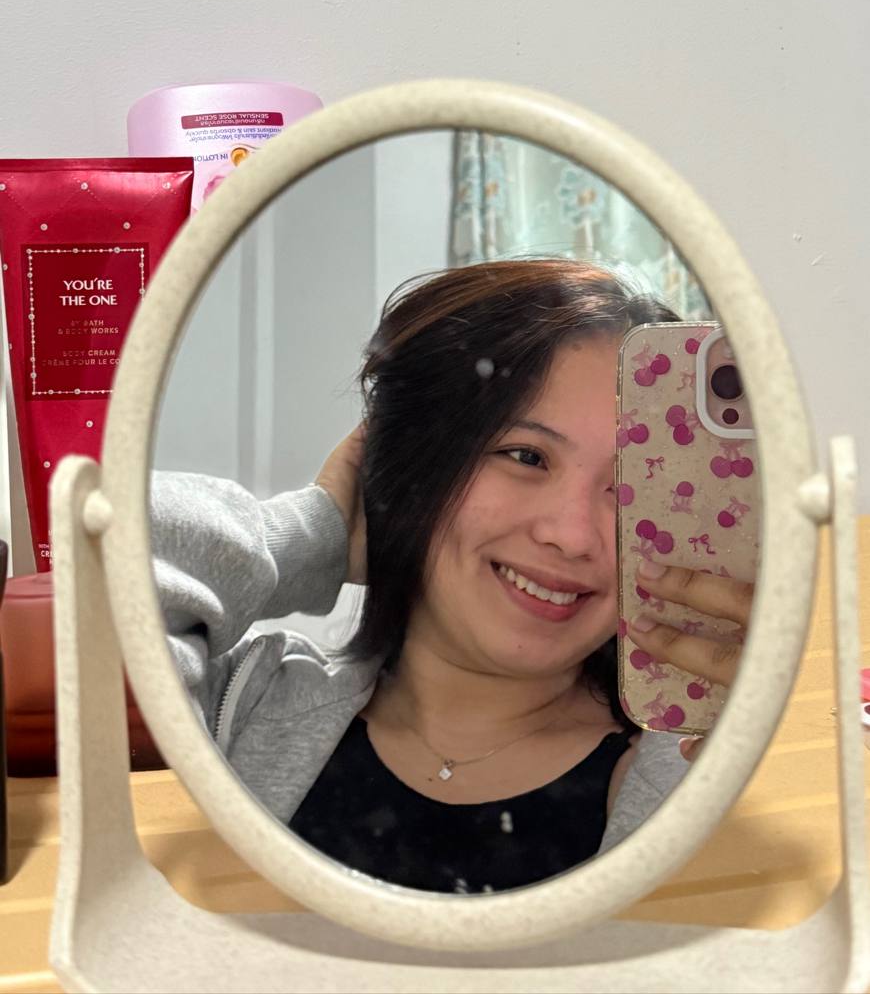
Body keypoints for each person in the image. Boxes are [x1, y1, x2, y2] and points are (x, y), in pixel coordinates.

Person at [151, 259, 754, 894]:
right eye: (526, 456)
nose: (572, 536)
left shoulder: (690, 778)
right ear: (415, 467)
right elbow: (103, 575)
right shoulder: (239, 709)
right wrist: (316, 531)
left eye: (630, 485)